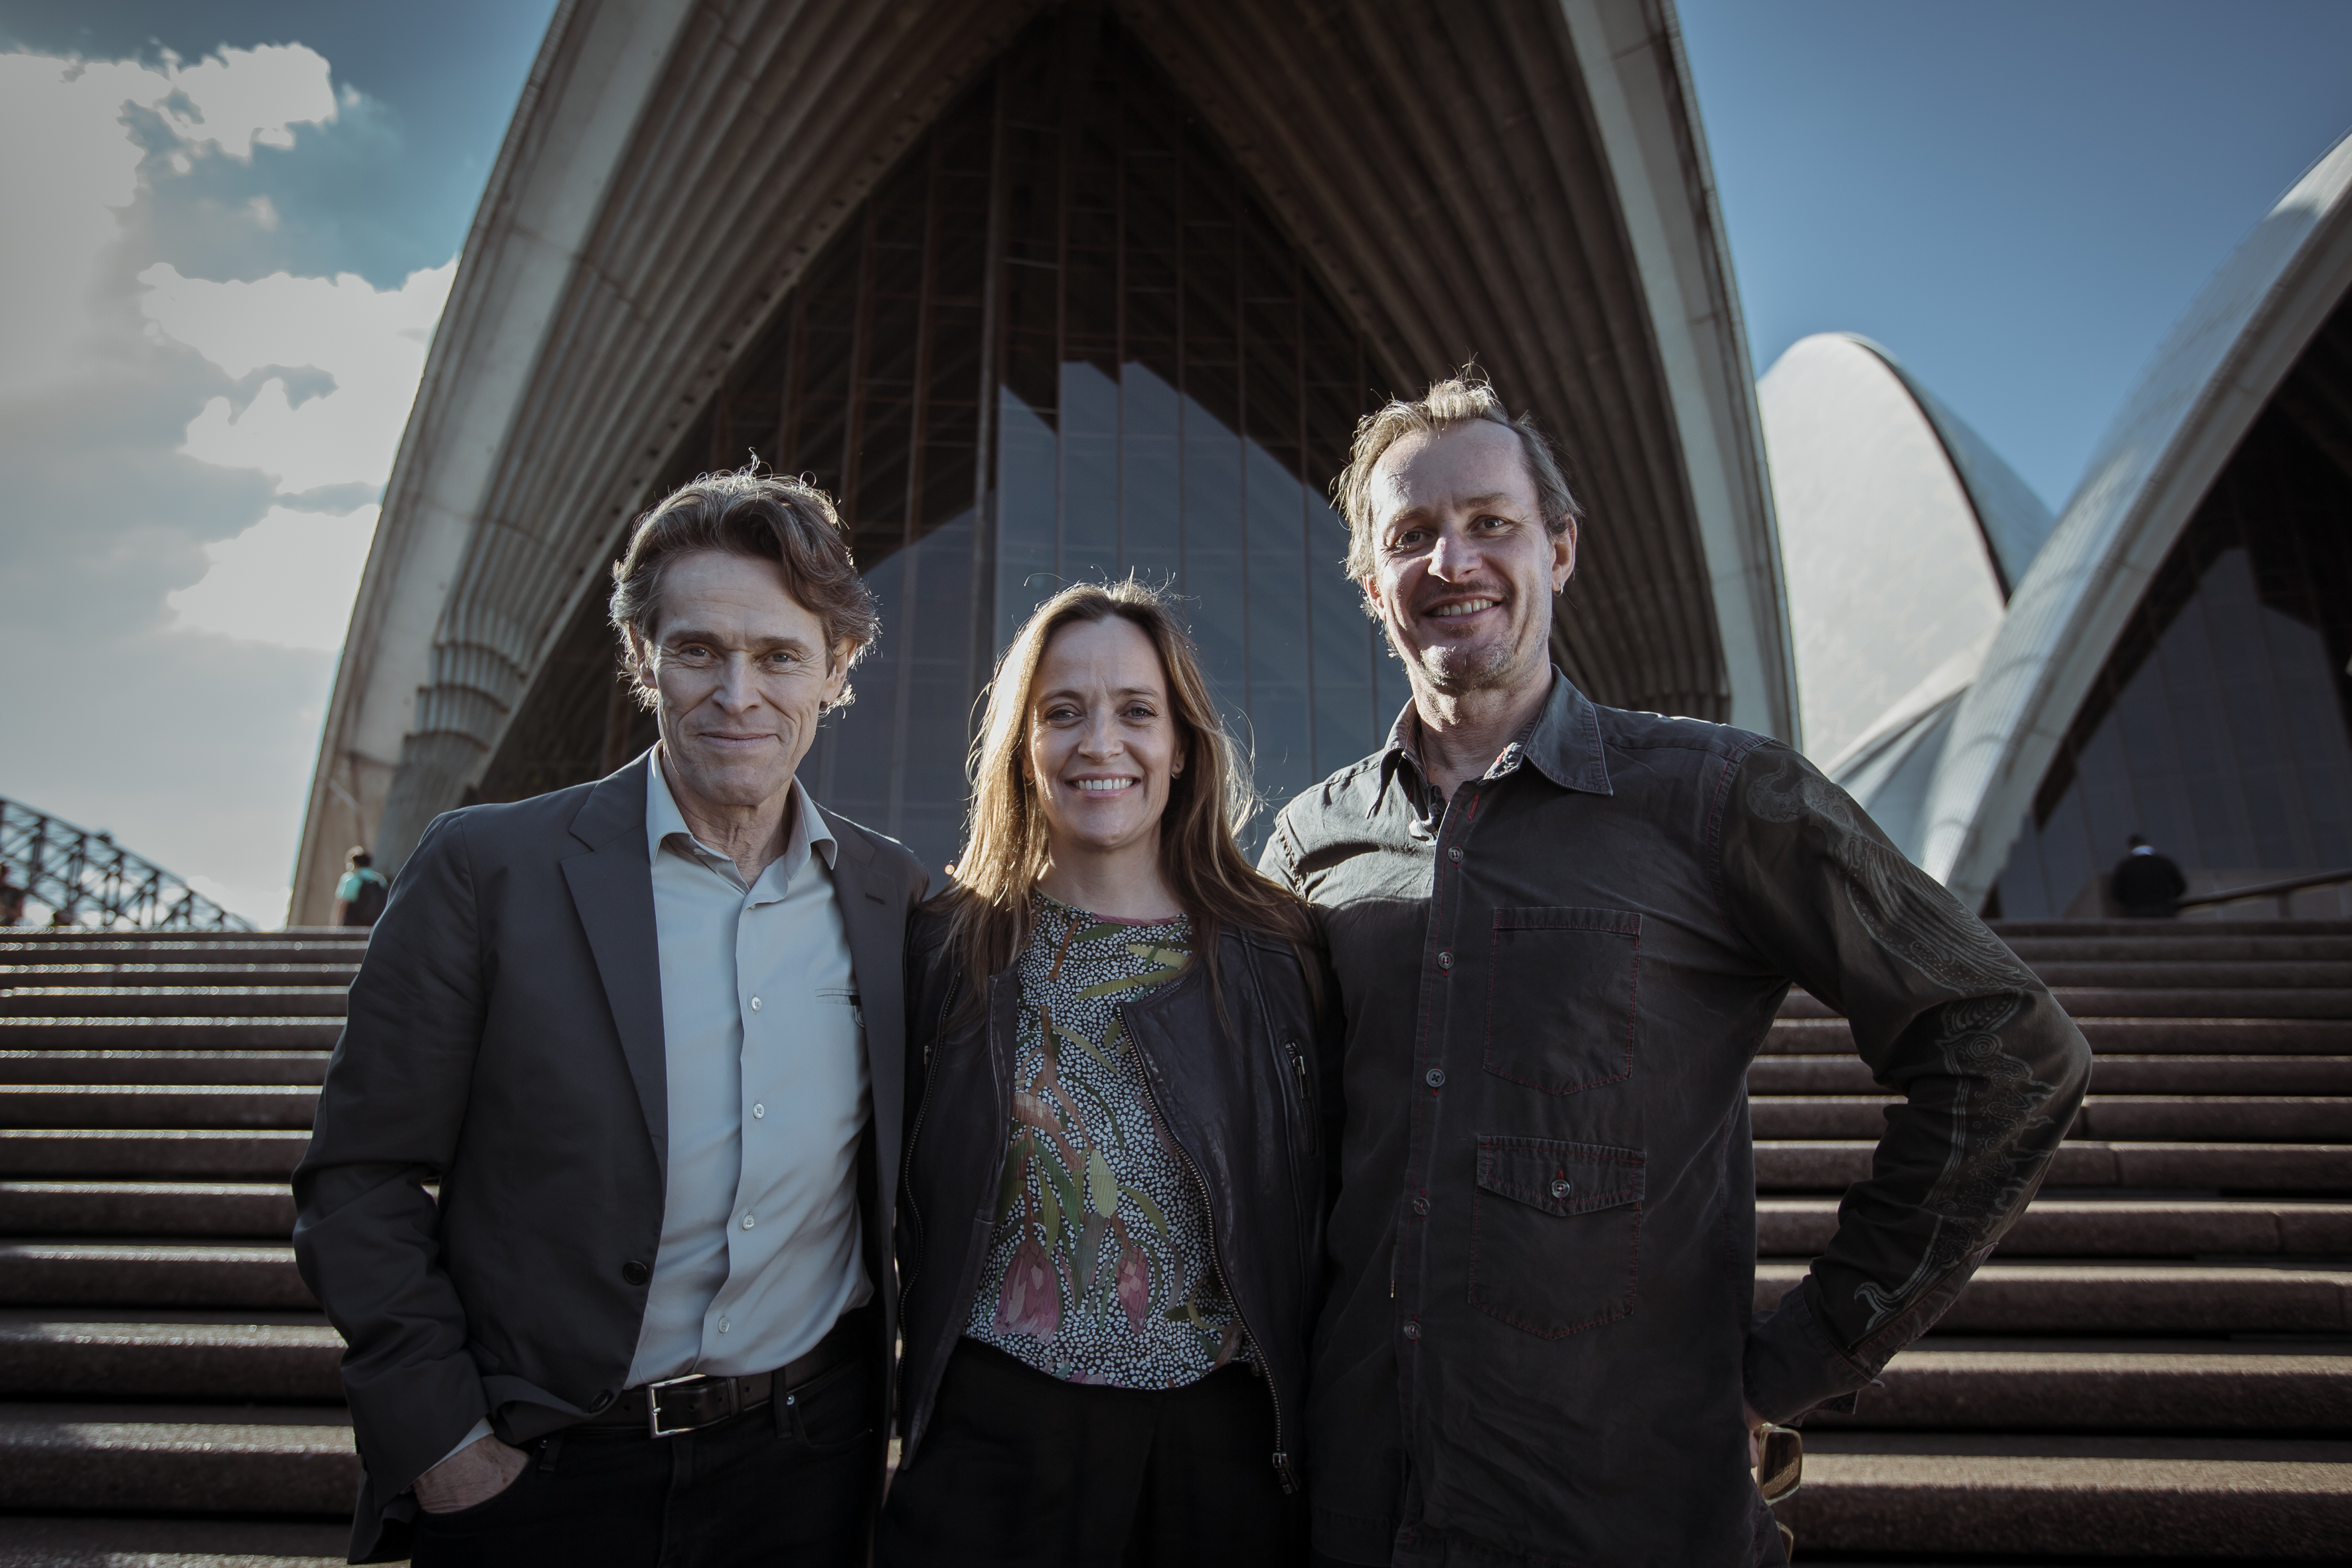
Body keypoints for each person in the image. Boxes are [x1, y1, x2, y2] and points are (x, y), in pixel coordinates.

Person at [1257, 371, 2094, 1567]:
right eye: (1410, 534)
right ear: (1368, 581)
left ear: (1559, 549)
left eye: (1490, 522)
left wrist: (1805, 1354)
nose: (1451, 560)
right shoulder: (1312, 841)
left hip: (1621, 1502)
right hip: (1356, 1504)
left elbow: (2007, 1046)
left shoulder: (1717, 797)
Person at [293, 471, 927, 1567]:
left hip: (805, 1471)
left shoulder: (893, 896)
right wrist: (445, 1445)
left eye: (778, 656)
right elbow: (358, 1176)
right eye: (698, 650)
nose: (737, 693)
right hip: (545, 1474)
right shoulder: (488, 871)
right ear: (643, 656)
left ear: (837, 668)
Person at [881, 580, 1335, 1567]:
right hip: (994, 1441)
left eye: (1135, 710)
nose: (1100, 743)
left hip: (1220, 1450)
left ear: (1182, 745)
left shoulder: (1277, 955)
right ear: (1022, 746)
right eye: (1062, 712)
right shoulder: (944, 949)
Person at [2111, 833, 2187, 917]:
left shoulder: (2125, 866)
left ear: (2131, 847)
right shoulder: (2164, 862)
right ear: (2148, 844)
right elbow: (2181, 886)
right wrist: (2168, 899)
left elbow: (2117, 892)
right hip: (2164, 910)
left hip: (2137, 911)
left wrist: (2131, 903)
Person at [331, 848, 390, 928]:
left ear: (354, 863)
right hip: (374, 926)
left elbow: (343, 905)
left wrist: (335, 927)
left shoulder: (351, 879)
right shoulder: (380, 880)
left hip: (353, 928)